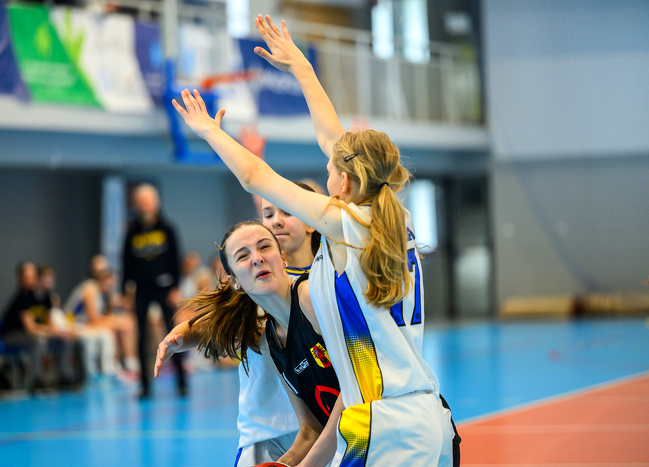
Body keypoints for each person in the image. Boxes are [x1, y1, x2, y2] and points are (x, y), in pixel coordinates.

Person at [170, 14, 458, 466]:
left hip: (386, 420)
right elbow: (333, 139)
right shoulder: (390, 216)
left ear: (345, 182)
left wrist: (209, 132)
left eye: (329, 171)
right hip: (422, 411)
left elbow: (254, 176)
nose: (326, 174)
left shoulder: (347, 225)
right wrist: (302, 68)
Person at [158, 182, 324, 467]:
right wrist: (180, 335)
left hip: (326, 422)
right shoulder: (255, 282)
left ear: (312, 220)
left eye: (287, 211)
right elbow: (212, 321)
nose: (276, 221)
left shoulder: (323, 283)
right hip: (267, 428)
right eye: (268, 214)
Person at [123, 184, 186, 398]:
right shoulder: (132, 232)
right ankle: (144, 385)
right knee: (141, 338)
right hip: (141, 290)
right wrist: (125, 292)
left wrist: (176, 287)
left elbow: (176, 259)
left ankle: (182, 382)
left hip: (165, 289)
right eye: (140, 202)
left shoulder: (167, 229)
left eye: (148, 201)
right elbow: (126, 262)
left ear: (156, 203)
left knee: (173, 334)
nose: (144, 206)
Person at [0, 262, 79, 389]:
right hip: (12, 334)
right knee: (39, 340)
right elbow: (30, 328)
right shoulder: (24, 297)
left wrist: (60, 332)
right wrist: (51, 332)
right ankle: (37, 380)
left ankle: (64, 375)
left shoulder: (47, 297)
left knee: (65, 339)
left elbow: (51, 324)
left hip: (34, 332)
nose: (49, 282)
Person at [63, 256, 137, 379]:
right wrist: (117, 322)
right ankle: (116, 368)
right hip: (72, 325)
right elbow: (94, 319)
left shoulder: (103, 291)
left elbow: (115, 310)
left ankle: (130, 365)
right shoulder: (90, 287)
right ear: (94, 273)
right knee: (118, 326)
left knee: (127, 321)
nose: (103, 275)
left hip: (85, 324)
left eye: (105, 271)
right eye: (99, 272)